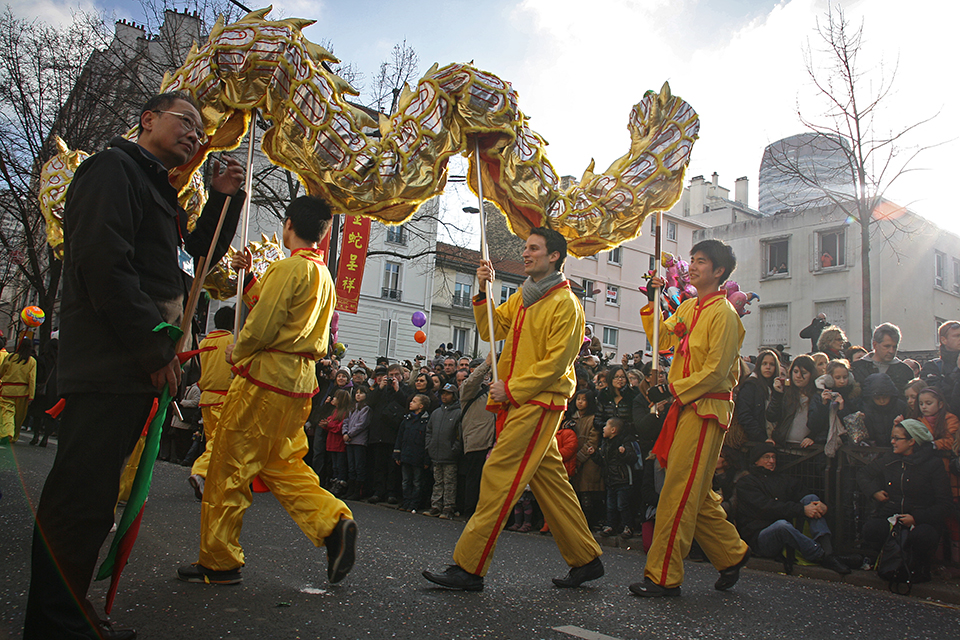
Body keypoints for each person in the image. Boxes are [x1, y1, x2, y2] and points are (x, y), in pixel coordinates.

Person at [24, 91, 245, 640]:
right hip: (111, 361)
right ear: (147, 120)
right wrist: (152, 347)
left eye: (200, 129)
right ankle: (54, 623)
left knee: (96, 501)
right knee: (80, 500)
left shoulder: (157, 188)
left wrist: (223, 199)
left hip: (132, 365)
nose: (195, 134)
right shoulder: (111, 168)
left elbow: (190, 261)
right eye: (184, 122)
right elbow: (104, 261)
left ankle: (70, 609)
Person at [177, 195, 357, 588]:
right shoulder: (322, 274)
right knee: (282, 462)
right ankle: (332, 522)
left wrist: (237, 352)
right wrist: (252, 279)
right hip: (298, 384)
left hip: (265, 379)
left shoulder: (289, 267)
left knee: (228, 465)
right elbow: (283, 310)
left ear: (288, 224)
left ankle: (219, 558)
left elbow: (263, 325)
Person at [423, 227, 603, 591]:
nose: (525, 253)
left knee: (498, 474)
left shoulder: (566, 304)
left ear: (554, 256)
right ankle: (586, 558)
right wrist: (482, 288)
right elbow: (491, 329)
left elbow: (556, 364)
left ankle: (469, 566)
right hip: (522, 401)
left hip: (538, 402)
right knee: (550, 482)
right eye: (525, 248)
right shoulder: (524, 295)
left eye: (533, 248)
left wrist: (512, 388)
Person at [629, 239, 750, 597]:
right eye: (692, 261)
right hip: (685, 407)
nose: (693, 267)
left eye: (702, 262)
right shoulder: (689, 307)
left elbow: (715, 372)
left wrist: (669, 390)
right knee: (692, 491)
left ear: (719, 271)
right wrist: (654, 300)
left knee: (678, 490)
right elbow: (661, 337)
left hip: (705, 410)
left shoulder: (724, 314)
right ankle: (731, 553)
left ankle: (664, 576)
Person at [735, 443, 853, 575]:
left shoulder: (783, 479)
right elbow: (765, 508)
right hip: (759, 537)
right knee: (781, 526)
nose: (772, 461)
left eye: (773, 457)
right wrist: (801, 510)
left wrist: (821, 505)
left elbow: (803, 494)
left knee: (811, 498)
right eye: (766, 457)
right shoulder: (746, 483)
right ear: (756, 461)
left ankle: (828, 552)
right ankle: (821, 556)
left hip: (787, 532)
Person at [858, 420, 952, 582]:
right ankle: (885, 561)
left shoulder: (933, 464)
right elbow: (863, 474)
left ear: (911, 441)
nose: (892, 442)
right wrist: (874, 492)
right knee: (871, 529)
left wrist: (916, 518)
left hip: (922, 519)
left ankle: (919, 567)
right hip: (892, 515)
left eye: (897, 438)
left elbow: (945, 504)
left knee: (923, 536)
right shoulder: (890, 459)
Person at [188, 306, 236, 500]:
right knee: (220, 442)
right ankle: (201, 472)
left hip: (206, 398)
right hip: (225, 398)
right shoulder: (233, 341)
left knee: (212, 441)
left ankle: (210, 484)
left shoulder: (205, 341)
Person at [458, 359, 495, 518]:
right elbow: (471, 382)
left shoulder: (493, 391)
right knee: (474, 480)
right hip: (477, 442)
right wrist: (486, 363)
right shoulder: (468, 391)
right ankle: (470, 513)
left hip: (494, 443)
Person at [766, 354, 828, 448]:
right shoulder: (786, 393)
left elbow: (821, 423)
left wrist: (813, 437)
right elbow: (771, 416)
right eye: (795, 372)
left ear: (811, 374)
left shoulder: (818, 395)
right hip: (784, 447)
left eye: (804, 373)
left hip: (809, 450)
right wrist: (777, 395)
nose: (798, 376)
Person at [595, 417, 640, 539]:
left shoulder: (624, 442)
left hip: (623, 479)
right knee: (610, 505)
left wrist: (624, 453)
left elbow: (633, 458)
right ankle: (611, 525)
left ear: (613, 430)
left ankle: (628, 526)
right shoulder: (605, 443)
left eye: (606, 426)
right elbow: (602, 461)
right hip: (610, 479)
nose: (603, 428)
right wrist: (594, 454)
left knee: (623, 505)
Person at [424, 382, 462, 519]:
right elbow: (429, 430)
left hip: (450, 454)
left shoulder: (458, 413)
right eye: (443, 394)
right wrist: (429, 446)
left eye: (447, 394)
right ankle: (436, 505)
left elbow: (459, 435)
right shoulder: (436, 413)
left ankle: (448, 507)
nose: (444, 396)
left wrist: (455, 449)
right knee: (438, 481)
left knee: (450, 482)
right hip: (436, 453)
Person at [850, 323, 915, 395]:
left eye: (895, 347)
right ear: (875, 345)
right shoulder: (856, 368)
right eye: (887, 346)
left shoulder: (905, 371)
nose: (891, 351)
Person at [394, 394, 431, 512]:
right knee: (406, 480)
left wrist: (426, 459)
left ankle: (414, 503)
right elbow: (400, 437)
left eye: (414, 401)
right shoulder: (407, 419)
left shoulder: (426, 421)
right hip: (406, 454)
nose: (411, 403)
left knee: (417, 481)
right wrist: (397, 453)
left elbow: (427, 441)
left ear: (421, 406)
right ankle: (406, 501)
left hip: (418, 456)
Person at [734, 348, 779, 443]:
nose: (768, 367)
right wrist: (761, 437)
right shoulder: (750, 385)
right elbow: (745, 415)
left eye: (772, 364)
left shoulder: (776, 387)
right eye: (764, 364)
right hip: (757, 440)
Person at [0, 337, 37, 443]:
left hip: (7, 389)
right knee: (19, 416)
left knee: (7, 412)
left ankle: (7, 432)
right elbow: (32, 379)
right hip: (23, 392)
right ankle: (14, 435)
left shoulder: (10, 357)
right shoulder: (31, 361)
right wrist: (31, 395)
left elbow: (2, 371)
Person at [342, 385, 371, 501]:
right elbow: (346, 420)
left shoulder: (366, 409)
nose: (358, 395)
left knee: (359, 467)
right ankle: (350, 489)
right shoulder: (352, 408)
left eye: (361, 393)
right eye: (357, 393)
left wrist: (350, 434)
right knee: (351, 467)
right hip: (349, 440)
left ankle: (358, 490)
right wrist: (345, 432)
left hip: (359, 441)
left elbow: (362, 424)